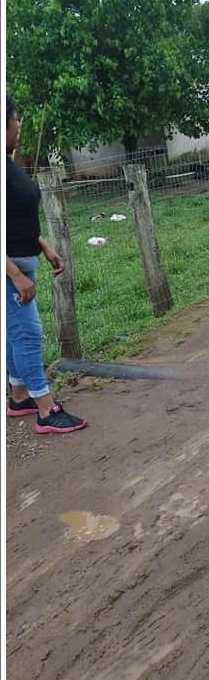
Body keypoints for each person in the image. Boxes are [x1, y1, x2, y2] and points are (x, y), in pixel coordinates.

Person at [5, 93, 87, 433]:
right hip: (11, 269)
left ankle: (19, 397)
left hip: (23, 258)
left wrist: (44, 247)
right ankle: (45, 409)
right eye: (15, 117)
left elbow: (13, 219)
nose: (19, 123)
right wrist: (16, 276)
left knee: (13, 335)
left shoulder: (7, 164)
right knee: (27, 334)